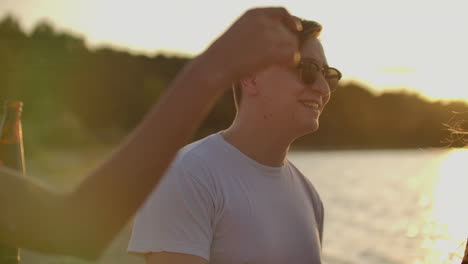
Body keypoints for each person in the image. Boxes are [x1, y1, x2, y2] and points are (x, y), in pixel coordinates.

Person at [0, 7, 303, 260]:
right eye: (308, 72)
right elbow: (81, 225)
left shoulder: (304, 194)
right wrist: (215, 67)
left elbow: (75, 225)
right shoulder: (192, 174)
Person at [128, 14, 342, 264]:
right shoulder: (186, 175)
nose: (323, 89)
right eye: (308, 70)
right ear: (250, 77)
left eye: (328, 75)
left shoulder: (309, 197)